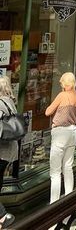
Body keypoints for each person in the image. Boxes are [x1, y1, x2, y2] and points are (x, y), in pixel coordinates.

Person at [45, 72, 76, 204]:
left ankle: (54, 202)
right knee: (68, 166)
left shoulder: (62, 95)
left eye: (61, 83)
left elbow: (48, 112)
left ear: (65, 83)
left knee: (55, 171)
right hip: (73, 131)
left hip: (60, 132)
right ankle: (69, 197)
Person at [0, 78, 18, 227]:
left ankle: (3, 215)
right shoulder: (11, 102)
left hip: (1, 150)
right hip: (10, 150)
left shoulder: (0, 103)